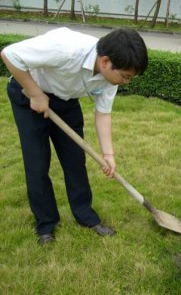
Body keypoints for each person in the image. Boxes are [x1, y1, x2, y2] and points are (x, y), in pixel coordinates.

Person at [1, 27, 148, 245]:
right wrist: (35, 93)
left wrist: (108, 153)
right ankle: (46, 225)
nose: (126, 82)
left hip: (66, 101)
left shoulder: (110, 79)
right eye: (125, 77)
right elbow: (9, 54)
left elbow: (103, 113)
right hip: (29, 94)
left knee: (75, 161)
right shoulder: (65, 48)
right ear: (106, 61)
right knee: (37, 164)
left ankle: (85, 216)